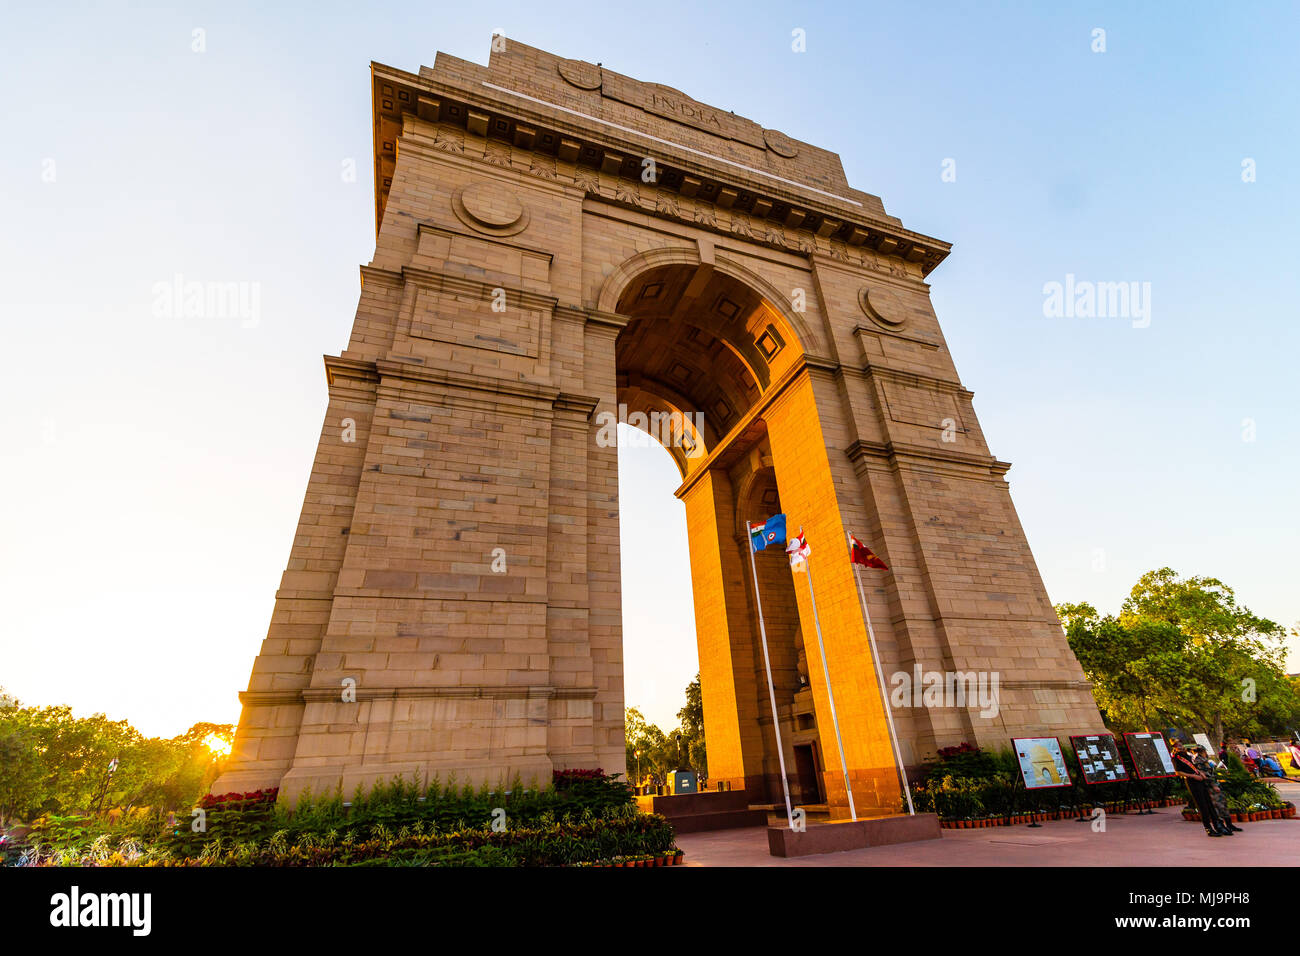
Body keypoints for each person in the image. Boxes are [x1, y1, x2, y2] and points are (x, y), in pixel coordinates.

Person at [1173, 742, 1231, 837]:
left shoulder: (1187, 756)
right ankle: (1208, 828)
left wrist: (1200, 773)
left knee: (1209, 804)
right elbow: (1178, 772)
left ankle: (1217, 826)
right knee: (1202, 806)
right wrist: (1193, 776)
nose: (1181, 746)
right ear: (1175, 748)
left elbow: (1194, 767)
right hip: (1192, 782)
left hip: (1200, 780)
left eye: (1181, 744)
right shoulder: (1176, 758)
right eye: (1178, 745)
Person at [1195, 746, 1241, 833]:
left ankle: (1229, 824)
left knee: (1223, 804)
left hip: (1215, 784)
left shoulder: (1204, 760)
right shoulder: (1199, 761)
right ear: (1203, 751)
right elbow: (1206, 775)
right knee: (1216, 806)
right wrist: (1213, 785)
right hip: (1210, 787)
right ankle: (1220, 825)